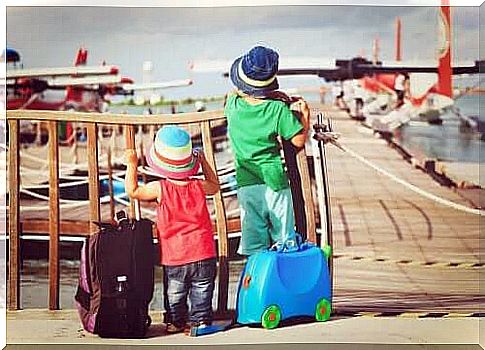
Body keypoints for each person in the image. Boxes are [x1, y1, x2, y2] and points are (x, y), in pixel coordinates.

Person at [124, 125, 220, 334]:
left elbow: (133, 191)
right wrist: (203, 162)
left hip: (175, 255)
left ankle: (176, 322)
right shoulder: (198, 185)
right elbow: (214, 185)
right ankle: (201, 323)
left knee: (175, 293)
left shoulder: (160, 188)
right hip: (204, 252)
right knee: (202, 290)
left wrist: (132, 164)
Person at [224, 45, 310, 256]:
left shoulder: (232, 105)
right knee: (283, 236)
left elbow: (233, 92)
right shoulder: (278, 110)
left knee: (254, 239)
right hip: (275, 182)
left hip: (245, 183)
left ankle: (255, 278)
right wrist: (305, 117)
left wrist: (260, 91)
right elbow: (298, 141)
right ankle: (283, 280)